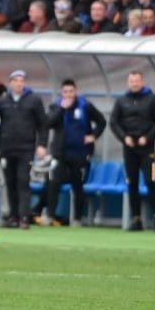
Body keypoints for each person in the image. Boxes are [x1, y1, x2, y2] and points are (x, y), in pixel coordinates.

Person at [43, 79, 107, 226]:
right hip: (60, 153)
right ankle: (50, 216)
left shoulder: (85, 106)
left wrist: (93, 136)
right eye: (65, 92)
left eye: (71, 91)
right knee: (54, 184)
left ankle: (77, 218)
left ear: (75, 91)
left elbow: (101, 121)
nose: (68, 95)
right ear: (61, 93)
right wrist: (61, 110)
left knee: (78, 186)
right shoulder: (56, 106)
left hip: (80, 153)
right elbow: (48, 123)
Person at [110, 70, 155, 232]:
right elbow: (114, 122)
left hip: (148, 149)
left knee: (151, 181)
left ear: (143, 82)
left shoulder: (153, 99)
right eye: (131, 81)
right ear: (128, 83)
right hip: (129, 149)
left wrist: (148, 137)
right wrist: (124, 138)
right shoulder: (122, 100)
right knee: (132, 183)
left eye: (137, 81)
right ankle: (136, 219)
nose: (134, 84)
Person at [0, 69, 46, 228]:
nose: (19, 83)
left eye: (21, 80)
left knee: (23, 182)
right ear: (10, 83)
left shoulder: (33, 100)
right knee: (9, 183)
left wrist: (42, 144)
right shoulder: (3, 101)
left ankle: (25, 217)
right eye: (16, 81)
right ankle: (13, 216)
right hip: (7, 148)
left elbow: (42, 124)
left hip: (26, 148)